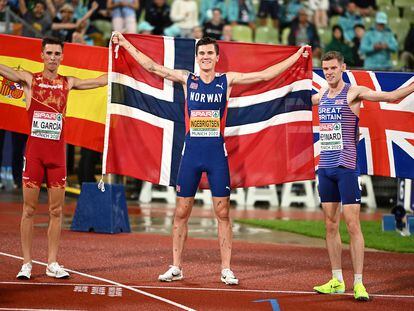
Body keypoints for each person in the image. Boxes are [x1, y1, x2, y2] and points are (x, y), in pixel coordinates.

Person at [112, 32, 309, 285]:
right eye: (201, 54)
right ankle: (176, 267)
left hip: (216, 155)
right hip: (191, 154)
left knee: (222, 211)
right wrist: (124, 43)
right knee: (182, 211)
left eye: (209, 54)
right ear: (197, 58)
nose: (205, 57)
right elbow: (152, 67)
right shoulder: (187, 79)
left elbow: (264, 75)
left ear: (217, 58)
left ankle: (226, 268)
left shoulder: (227, 80)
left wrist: (296, 56)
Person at [0, 36, 107, 280]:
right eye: (48, 53)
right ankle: (26, 263)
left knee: (56, 211)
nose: (52, 58)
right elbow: (6, 71)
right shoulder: (30, 79)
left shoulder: (67, 82)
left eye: (57, 54)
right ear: (41, 55)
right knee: (28, 209)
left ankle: (52, 262)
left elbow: (99, 81)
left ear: (62, 57)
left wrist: (120, 68)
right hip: (35, 155)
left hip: (57, 158)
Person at [312, 51, 414, 301]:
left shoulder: (353, 92)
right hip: (325, 168)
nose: (329, 73)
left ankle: (358, 282)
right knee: (330, 224)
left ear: (343, 67)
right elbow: (294, 101)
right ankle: (337, 279)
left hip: (346, 167)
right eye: (325, 69)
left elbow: (391, 96)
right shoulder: (321, 95)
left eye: (333, 68)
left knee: (352, 224)